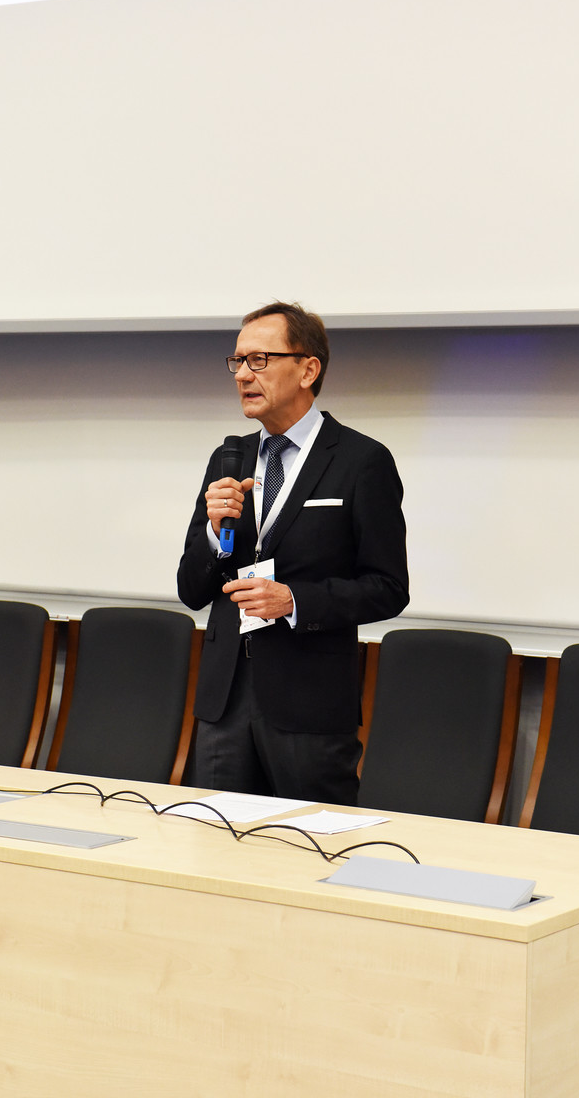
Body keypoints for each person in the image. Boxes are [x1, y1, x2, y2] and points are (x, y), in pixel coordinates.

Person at [177, 302, 409, 804]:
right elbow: (191, 590)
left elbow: (388, 588)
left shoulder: (361, 461)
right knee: (214, 842)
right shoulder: (229, 457)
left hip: (309, 702)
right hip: (224, 701)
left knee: (312, 843)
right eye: (237, 361)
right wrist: (215, 533)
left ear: (308, 369)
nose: (243, 375)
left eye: (259, 360)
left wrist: (294, 601)